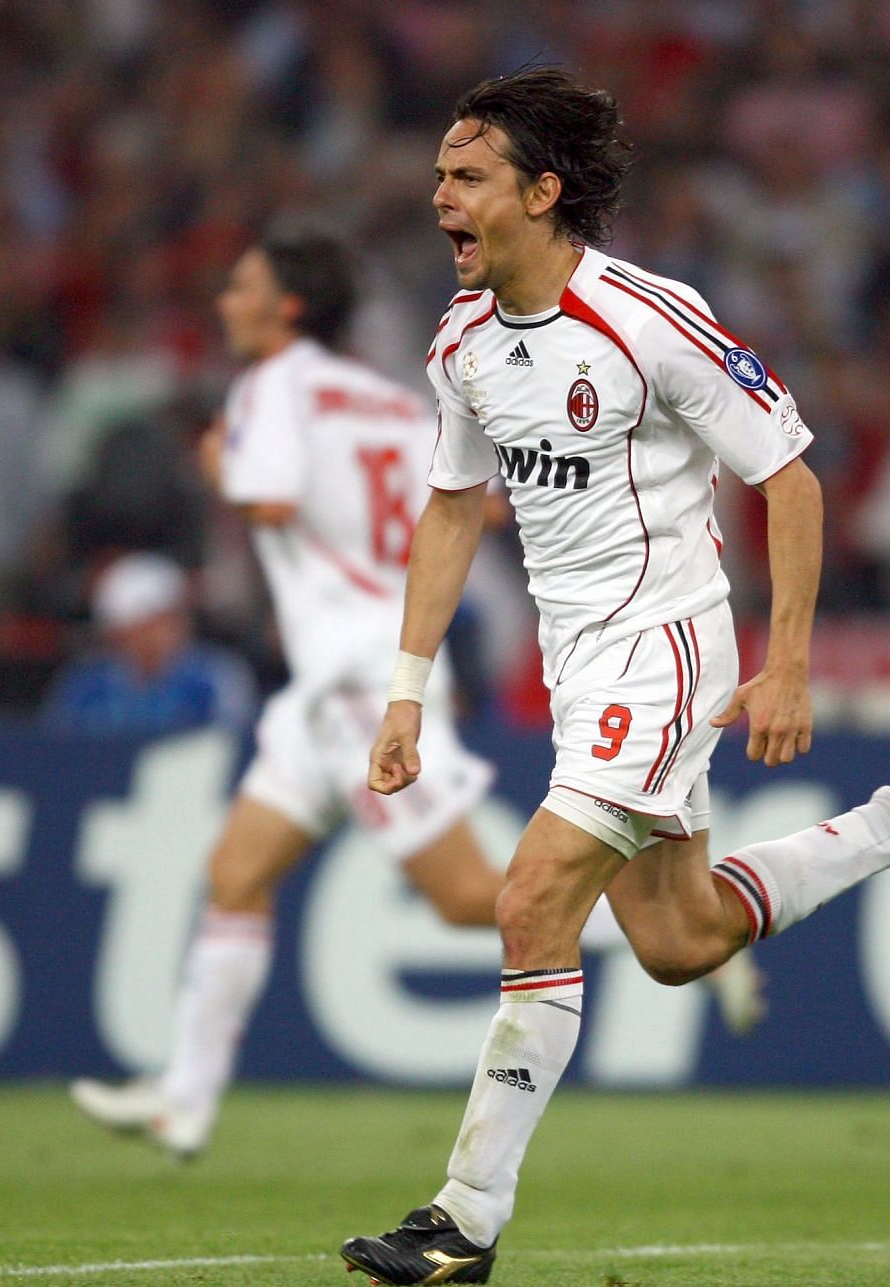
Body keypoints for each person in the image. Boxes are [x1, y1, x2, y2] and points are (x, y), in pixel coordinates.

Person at [339, 69, 890, 1287]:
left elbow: (791, 477)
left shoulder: (647, 317)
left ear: (541, 191)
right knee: (678, 939)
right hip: (579, 665)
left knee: (531, 903)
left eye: (467, 178)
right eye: (439, 178)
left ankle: (463, 1216)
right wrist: (407, 686)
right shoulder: (461, 344)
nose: (441, 199)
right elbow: (455, 511)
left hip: (666, 645)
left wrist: (785, 665)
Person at [68, 234, 765, 1160]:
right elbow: (480, 501)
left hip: (358, 677)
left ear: (286, 308)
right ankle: (184, 1104)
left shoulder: (271, 387)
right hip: (324, 689)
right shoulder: (388, 398)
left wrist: (216, 465)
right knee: (236, 874)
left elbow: (268, 499)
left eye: (241, 285)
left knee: (472, 896)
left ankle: (674, 928)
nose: (226, 299)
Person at [43, 551, 253, 736]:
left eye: (171, 618)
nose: (163, 633)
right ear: (117, 632)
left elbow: (234, 744)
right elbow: (58, 752)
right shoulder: (84, 685)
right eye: (149, 624)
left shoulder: (216, 676)